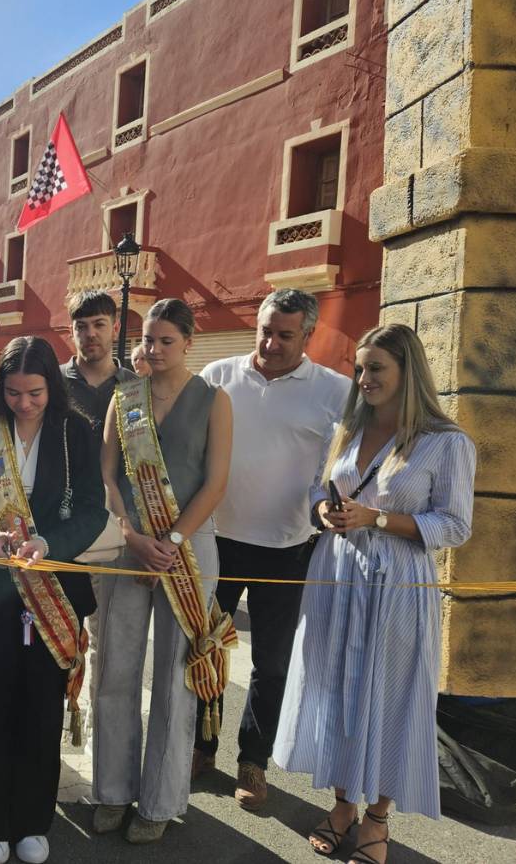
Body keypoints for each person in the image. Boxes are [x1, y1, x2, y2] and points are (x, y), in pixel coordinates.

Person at [274, 323, 476, 864]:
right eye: (359, 368)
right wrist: (325, 512)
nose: (363, 379)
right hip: (336, 575)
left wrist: (378, 517)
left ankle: (378, 817)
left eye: (376, 369)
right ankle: (341, 804)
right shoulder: (346, 427)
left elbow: (455, 526)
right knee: (336, 686)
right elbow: (322, 488)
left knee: (390, 696)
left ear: (408, 373)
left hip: (397, 587)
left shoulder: (446, 442)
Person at [190, 289, 349, 809]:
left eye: (285, 334)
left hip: (288, 547)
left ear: (308, 336)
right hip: (216, 540)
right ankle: (199, 747)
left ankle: (252, 762)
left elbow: (342, 468)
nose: (269, 342)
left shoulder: (335, 391)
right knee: (205, 649)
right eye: (264, 329)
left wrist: (330, 512)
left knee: (272, 663)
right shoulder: (217, 375)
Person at [0, 336, 106, 864]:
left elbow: (93, 511)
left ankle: (31, 820)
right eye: (14, 393)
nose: (24, 404)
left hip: (54, 591)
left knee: (42, 706)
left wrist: (49, 543)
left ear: (54, 388)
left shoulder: (76, 433)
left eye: (36, 393)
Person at [94, 298, 233, 843]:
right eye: (148, 339)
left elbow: (216, 481)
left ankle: (160, 800)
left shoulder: (214, 400)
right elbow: (106, 474)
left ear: (189, 342)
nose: (154, 349)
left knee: (175, 677)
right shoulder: (124, 398)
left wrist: (172, 541)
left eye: (166, 340)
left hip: (187, 549)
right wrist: (130, 534)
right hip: (127, 543)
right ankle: (111, 790)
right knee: (115, 667)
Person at [61, 291, 132, 441]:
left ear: (115, 329)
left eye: (99, 324)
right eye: (81, 326)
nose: (90, 333)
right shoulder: (52, 381)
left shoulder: (135, 385)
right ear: (71, 333)